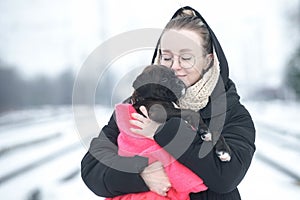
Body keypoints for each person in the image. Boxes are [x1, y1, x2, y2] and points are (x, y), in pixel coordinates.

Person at [81, 6, 256, 200]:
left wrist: (163, 130)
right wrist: (140, 174)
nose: (175, 66)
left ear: (208, 61)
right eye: (167, 57)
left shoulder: (232, 114)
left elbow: (226, 178)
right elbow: (92, 170)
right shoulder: (136, 105)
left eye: (186, 57)